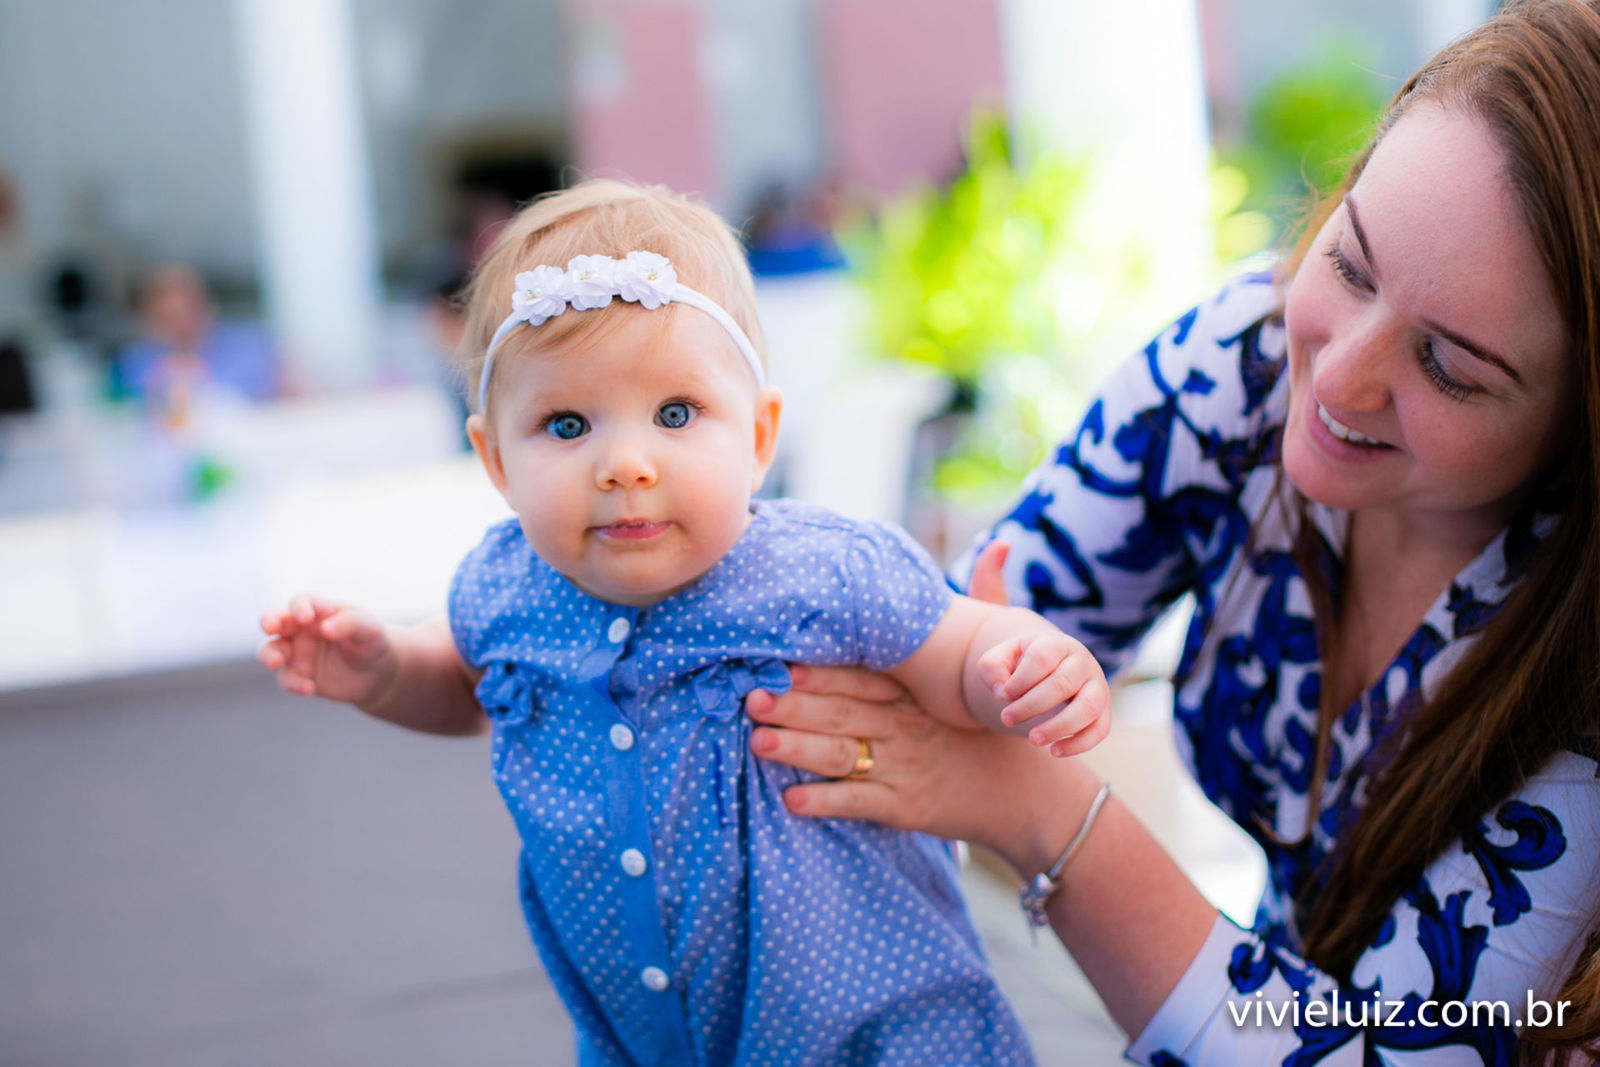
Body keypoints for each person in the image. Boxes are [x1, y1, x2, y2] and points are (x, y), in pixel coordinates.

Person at [746, 1, 1600, 1062]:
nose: (1336, 377)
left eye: (1448, 367)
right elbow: (944, 647)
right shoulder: (1237, 368)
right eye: (1350, 263)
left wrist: (1045, 809)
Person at [258, 179, 1115, 1065]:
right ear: (495, 458)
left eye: (675, 414)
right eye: (565, 423)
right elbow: (463, 679)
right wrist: (385, 671)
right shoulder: (505, 585)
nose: (625, 463)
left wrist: (1024, 662)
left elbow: (958, 645)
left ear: (757, 433)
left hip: (880, 1025)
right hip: (647, 1039)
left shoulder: (822, 570)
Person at [114, 262, 282, 417]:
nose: (185, 323)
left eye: (190, 310)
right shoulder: (137, 363)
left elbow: (284, 396)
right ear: (151, 320)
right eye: (172, 318)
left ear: (209, 306)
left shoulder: (248, 346)